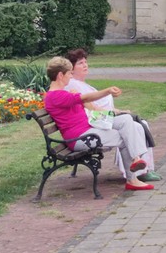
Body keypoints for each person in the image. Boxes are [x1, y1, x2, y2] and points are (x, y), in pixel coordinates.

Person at [43, 56, 154, 191]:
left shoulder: (62, 93)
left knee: (126, 120)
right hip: (80, 138)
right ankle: (133, 179)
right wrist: (107, 91)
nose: (70, 77)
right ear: (60, 75)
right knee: (125, 137)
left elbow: (88, 106)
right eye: (69, 73)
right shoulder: (55, 96)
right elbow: (86, 97)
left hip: (88, 129)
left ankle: (137, 160)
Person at [64, 48, 161, 182]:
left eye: (85, 62)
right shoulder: (73, 85)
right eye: (80, 63)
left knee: (137, 124)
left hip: (100, 118)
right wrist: (116, 111)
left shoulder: (83, 84)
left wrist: (119, 111)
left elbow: (98, 105)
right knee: (136, 126)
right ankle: (138, 169)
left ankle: (141, 168)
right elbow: (91, 107)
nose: (85, 65)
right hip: (94, 122)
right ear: (72, 69)